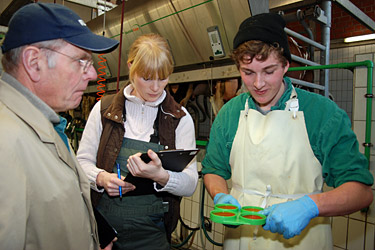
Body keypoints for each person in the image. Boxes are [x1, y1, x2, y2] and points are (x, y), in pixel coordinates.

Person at [201, 12, 373, 249]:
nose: (258, 84)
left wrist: (310, 206)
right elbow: (213, 169)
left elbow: (361, 192)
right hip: (241, 241)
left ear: (286, 65)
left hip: (304, 242)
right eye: (248, 72)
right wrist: (221, 196)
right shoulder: (230, 114)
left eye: (269, 71)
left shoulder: (322, 114)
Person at [0, 3, 119, 250]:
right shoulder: (6, 141)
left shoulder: (47, 127)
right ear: (34, 62)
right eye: (82, 61)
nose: (93, 75)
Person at [77, 33, 198, 250]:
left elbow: (190, 184)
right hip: (102, 232)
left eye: (163, 78)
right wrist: (102, 178)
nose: (155, 87)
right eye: (147, 78)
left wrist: (161, 176)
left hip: (152, 235)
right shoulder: (104, 110)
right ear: (131, 67)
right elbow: (81, 163)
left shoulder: (179, 119)